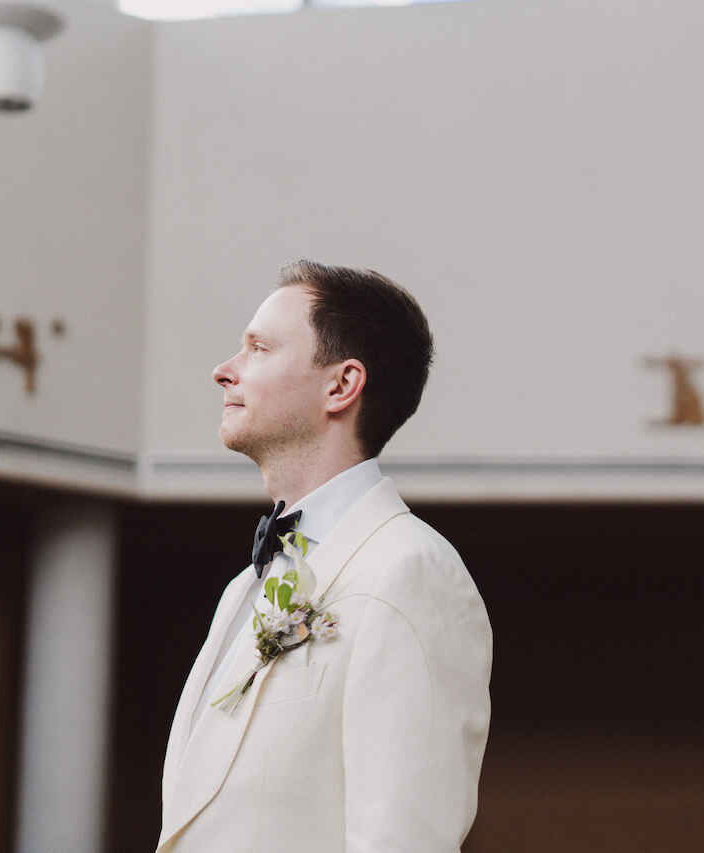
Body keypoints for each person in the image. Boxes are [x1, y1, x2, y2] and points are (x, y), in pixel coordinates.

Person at [157, 260, 493, 852]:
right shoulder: (243, 588)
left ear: (341, 385)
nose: (223, 370)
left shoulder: (410, 571)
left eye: (259, 349)